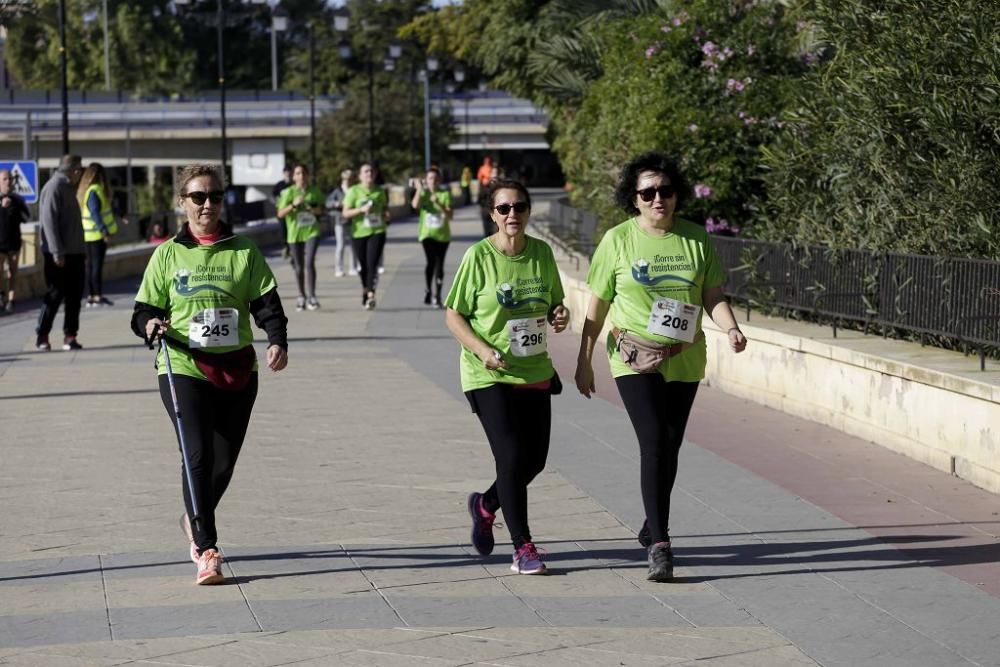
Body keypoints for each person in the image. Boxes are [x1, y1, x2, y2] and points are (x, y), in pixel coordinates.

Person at [573, 152, 748, 582]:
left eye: (665, 192)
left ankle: (652, 520)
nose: (658, 200)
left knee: (669, 446)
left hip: (684, 357)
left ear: (676, 196)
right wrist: (584, 359)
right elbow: (597, 306)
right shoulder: (617, 241)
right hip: (633, 356)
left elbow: (712, 294)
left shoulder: (695, 238)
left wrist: (731, 328)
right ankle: (661, 544)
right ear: (633, 199)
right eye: (647, 193)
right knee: (653, 443)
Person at [130, 163, 289, 586]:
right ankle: (207, 548)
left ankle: (193, 516)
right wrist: (149, 325)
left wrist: (277, 340)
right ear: (182, 202)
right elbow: (143, 310)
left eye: (214, 197)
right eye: (197, 197)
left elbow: (267, 305)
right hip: (182, 363)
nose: (207, 204)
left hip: (236, 367)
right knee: (197, 456)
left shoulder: (243, 250)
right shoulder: (167, 254)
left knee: (221, 466)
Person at [445, 178, 570, 575]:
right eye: (504, 209)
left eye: (519, 207)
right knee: (512, 456)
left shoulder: (542, 254)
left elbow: (554, 303)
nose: (512, 215)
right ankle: (523, 548)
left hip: (533, 369)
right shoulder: (478, 257)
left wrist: (559, 314)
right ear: (492, 214)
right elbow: (454, 314)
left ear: (529, 211)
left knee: (534, 461)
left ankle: (485, 505)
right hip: (488, 373)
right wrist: (483, 350)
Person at [36, 155, 86, 351]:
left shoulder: (69, 188)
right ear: (74, 171)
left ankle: (70, 336)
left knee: (74, 297)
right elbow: (48, 223)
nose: (80, 175)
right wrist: (57, 252)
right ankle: (42, 335)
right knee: (54, 295)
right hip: (58, 254)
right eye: (79, 171)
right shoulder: (54, 187)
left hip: (75, 253)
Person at [276, 164, 324, 311]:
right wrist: (293, 205)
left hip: (312, 231)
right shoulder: (288, 192)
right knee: (299, 266)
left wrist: (314, 209)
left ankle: (312, 296)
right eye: (298, 173)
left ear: (308, 175)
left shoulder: (315, 191)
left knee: (309, 263)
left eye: (304, 172)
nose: (301, 176)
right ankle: (301, 295)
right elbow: (280, 214)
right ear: (293, 176)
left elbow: (322, 210)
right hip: (295, 233)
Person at [342, 163, 389, 310]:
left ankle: (371, 295)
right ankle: (366, 290)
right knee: (363, 266)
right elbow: (345, 213)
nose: (369, 173)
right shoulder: (353, 191)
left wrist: (385, 214)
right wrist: (361, 210)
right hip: (359, 232)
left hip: (377, 231)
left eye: (371, 171)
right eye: (366, 171)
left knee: (372, 264)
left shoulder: (380, 191)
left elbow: (385, 210)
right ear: (360, 176)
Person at [78, 162, 120, 307]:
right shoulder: (95, 190)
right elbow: (95, 213)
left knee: (91, 266)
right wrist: (104, 231)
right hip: (96, 235)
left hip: (88, 234)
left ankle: (92, 296)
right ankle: (96, 296)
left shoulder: (88, 190)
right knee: (96, 266)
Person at [411, 166, 453, 307]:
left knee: (439, 264)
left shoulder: (445, 194)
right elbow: (415, 205)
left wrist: (439, 203)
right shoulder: (424, 193)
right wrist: (419, 189)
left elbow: (450, 215)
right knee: (431, 262)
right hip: (426, 234)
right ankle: (428, 289)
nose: (433, 181)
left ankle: (438, 295)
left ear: (439, 180)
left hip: (442, 235)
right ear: (426, 180)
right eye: (430, 178)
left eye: (435, 178)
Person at [0, 168, 30, 314]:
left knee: (13, 272)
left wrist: (15, 207)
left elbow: (26, 217)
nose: (8, 182)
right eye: (5, 179)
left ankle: (12, 300)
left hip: (14, 242)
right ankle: (1, 295)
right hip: (0, 243)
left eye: (10, 179)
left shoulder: (17, 199)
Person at [325, 168, 358, 278]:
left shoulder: (355, 190)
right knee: (341, 245)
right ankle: (338, 268)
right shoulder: (337, 191)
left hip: (353, 221)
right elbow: (328, 203)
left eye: (350, 179)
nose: (347, 181)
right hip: (340, 221)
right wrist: (337, 204)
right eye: (345, 179)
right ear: (342, 179)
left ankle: (353, 267)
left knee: (353, 246)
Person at [273, 166, 292, 260]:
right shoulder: (279, 185)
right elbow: (274, 196)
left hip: (292, 212)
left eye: (289, 173)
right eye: (286, 173)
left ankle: (291, 248)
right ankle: (285, 247)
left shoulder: (293, 184)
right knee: (283, 230)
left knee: (291, 229)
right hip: (281, 211)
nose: (288, 175)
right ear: (284, 174)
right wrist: (280, 200)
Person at [477, 164, 501, 238]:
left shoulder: (502, 187)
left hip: (498, 214)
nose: (495, 175)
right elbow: (480, 199)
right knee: (487, 235)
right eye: (493, 173)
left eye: (496, 173)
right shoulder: (485, 186)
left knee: (497, 234)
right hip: (486, 213)